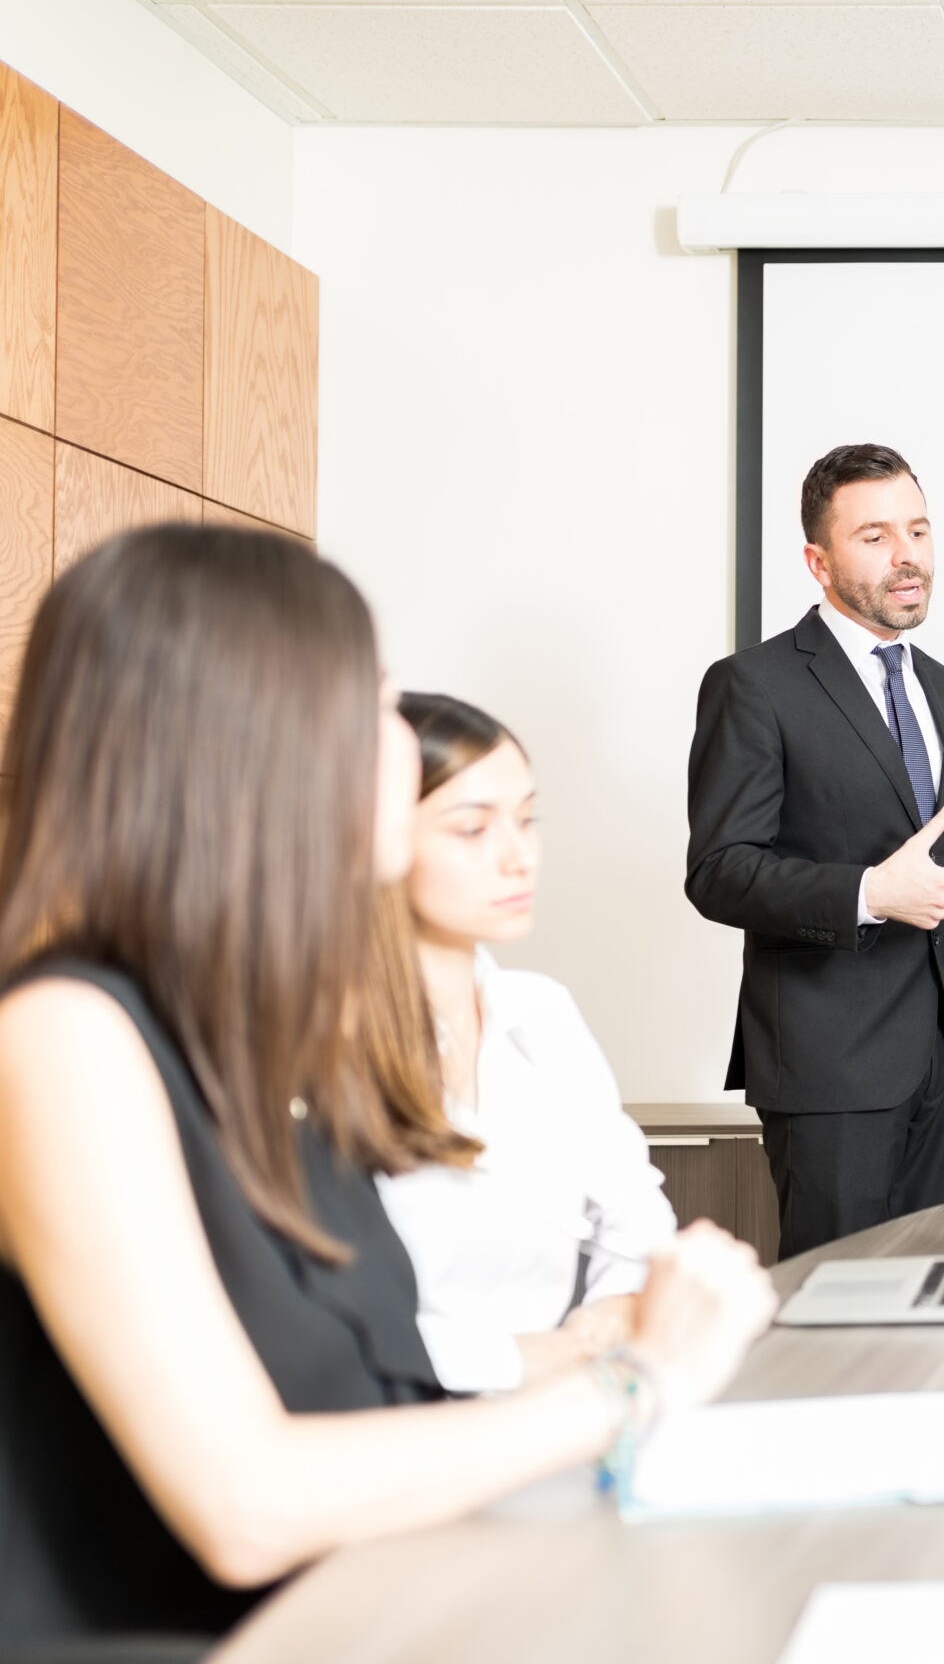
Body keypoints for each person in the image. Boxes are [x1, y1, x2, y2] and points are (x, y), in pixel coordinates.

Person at [0, 526, 774, 1648]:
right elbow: (245, 1504)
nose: (399, 749)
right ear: (253, 740)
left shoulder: (259, 1047)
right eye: (372, 708)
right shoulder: (62, 1036)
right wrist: (637, 1380)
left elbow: (382, 1399)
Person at [687, 443, 944, 1258]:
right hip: (829, 1068)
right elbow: (718, 871)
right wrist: (868, 893)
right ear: (817, 562)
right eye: (875, 536)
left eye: (919, 531)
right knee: (838, 1314)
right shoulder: (753, 685)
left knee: (943, 1303)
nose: (907, 557)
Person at [372, 694, 680, 1394]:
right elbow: (328, 1326)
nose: (519, 857)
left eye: (527, 820)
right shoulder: (316, 1045)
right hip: (399, 1425)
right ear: (378, 840)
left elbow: (639, 1222)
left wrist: (600, 1319)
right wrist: (535, 1356)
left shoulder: (541, 1013)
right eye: (473, 828)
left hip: (559, 1404)